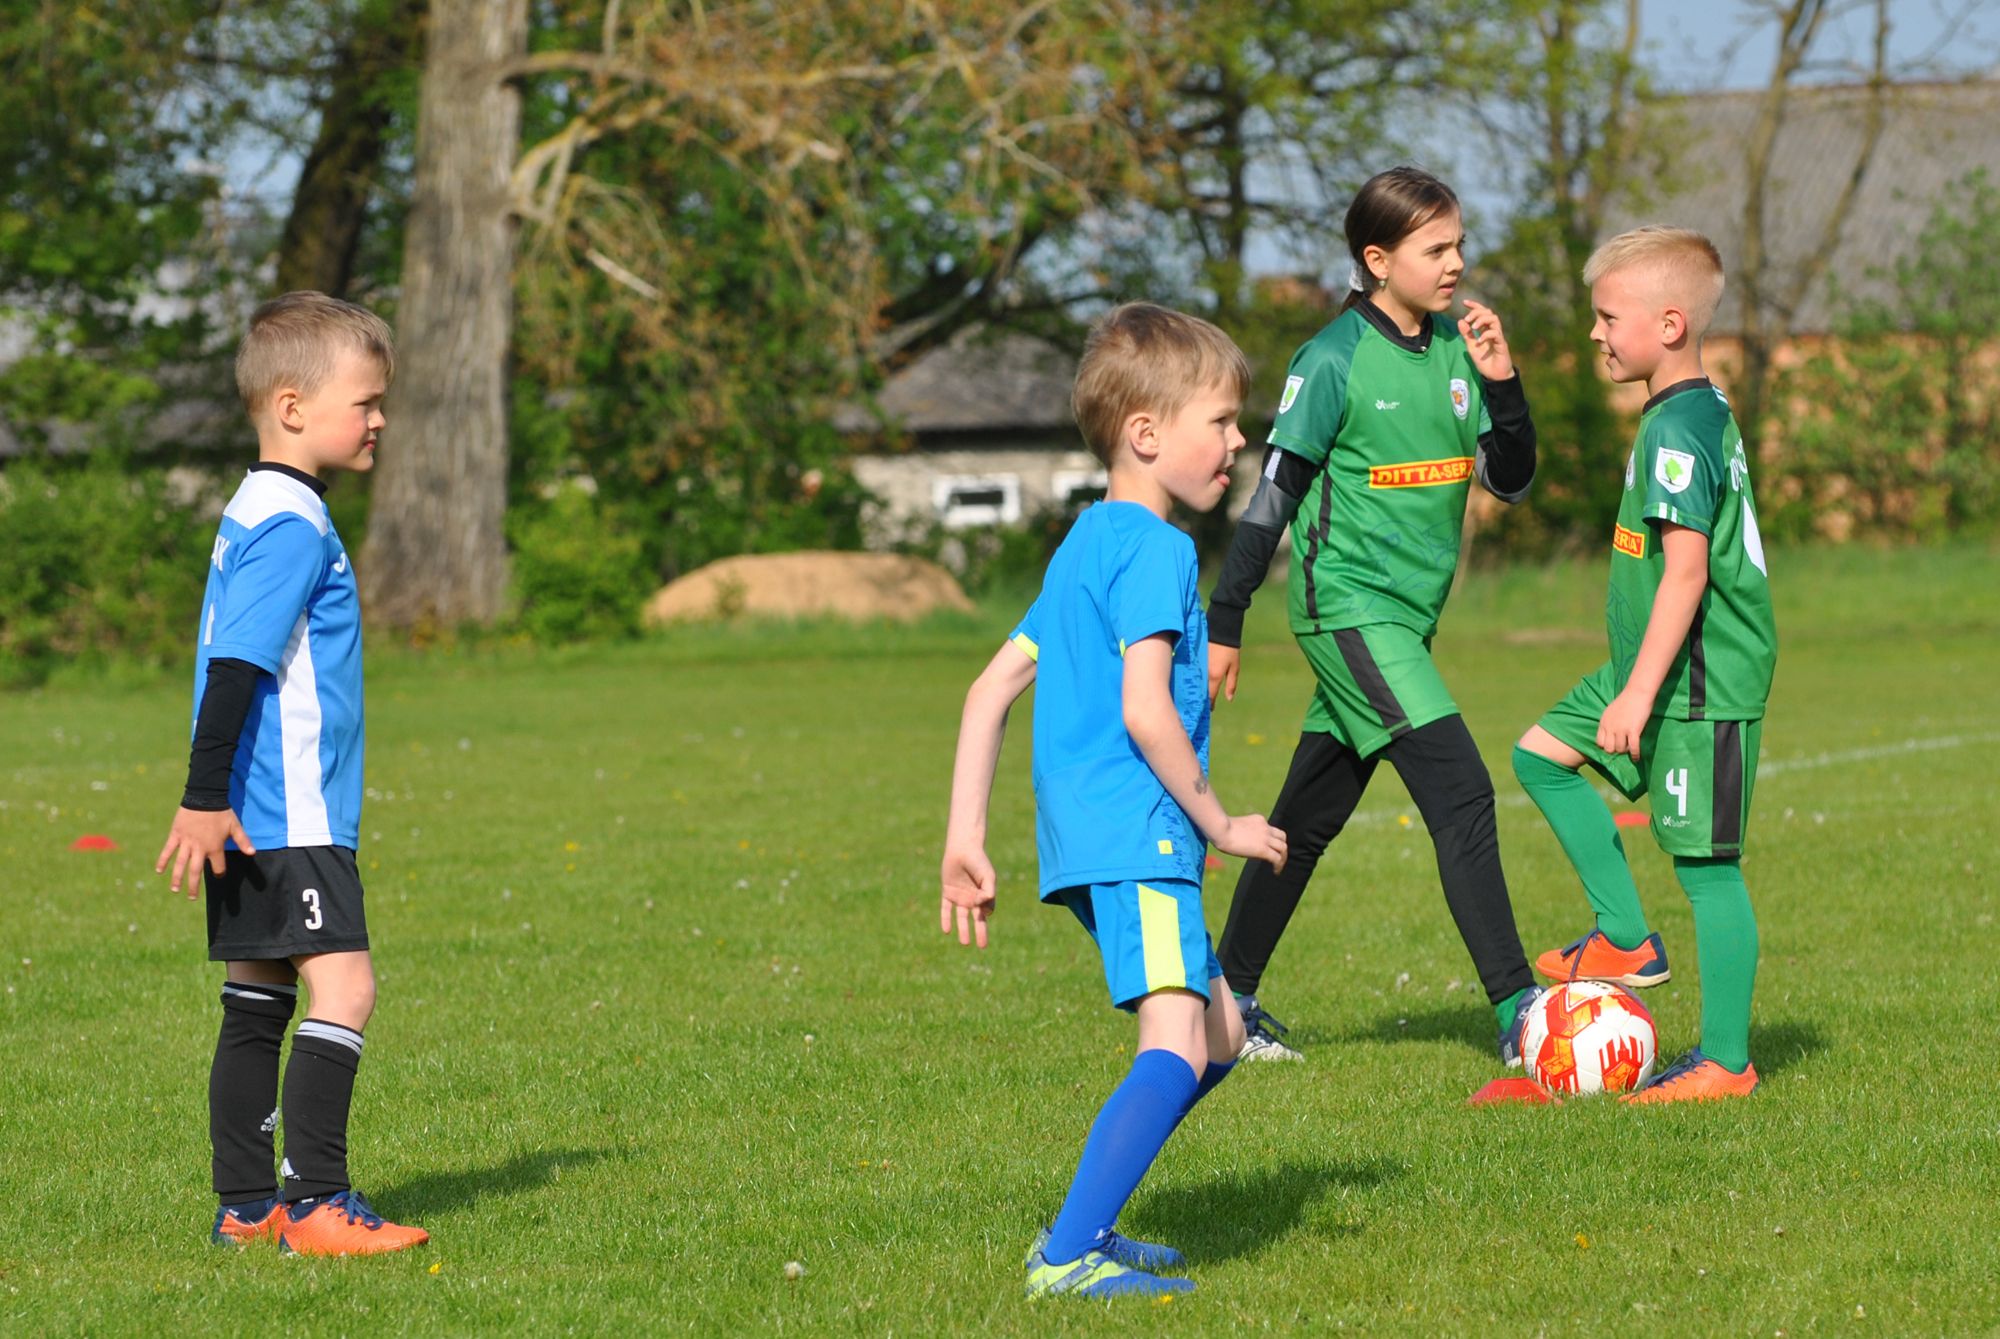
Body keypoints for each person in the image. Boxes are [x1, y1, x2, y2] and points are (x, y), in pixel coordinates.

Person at [938, 302, 1288, 1298]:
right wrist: (1217, 818)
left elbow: (987, 688)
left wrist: (965, 837)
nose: (1237, 442)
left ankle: (1091, 1220)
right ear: (1145, 432)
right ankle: (1068, 1252)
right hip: (1140, 833)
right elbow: (1144, 708)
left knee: (1220, 1031)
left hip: (1094, 839)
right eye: (1219, 422)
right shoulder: (1158, 549)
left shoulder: (1082, 543)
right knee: (1176, 1045)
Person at [1205, 166, 1543, 1063]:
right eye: (1437, 248)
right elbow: (1271, 502)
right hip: (1345, 610)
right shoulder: (1331, 361)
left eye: (1461, 244)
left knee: (1302, 823)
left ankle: (1226, 1006)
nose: (1457, 263)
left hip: (1404, 621)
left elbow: (1509, 479)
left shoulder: (1454, 351)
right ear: (1377, 259)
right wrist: (1225, 618)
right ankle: (1521, 1013)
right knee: (1463, 791)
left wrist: (1503, 384)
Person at [155, 291, 429, 1254]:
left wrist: (212, 797)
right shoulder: (292, 522)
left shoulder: (256, 507)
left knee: (256, 999)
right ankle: (316, 1202)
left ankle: (247, 1205)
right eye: (366, 401)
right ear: (292, 405)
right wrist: (204, 796)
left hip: (250, 811)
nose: (379, 419)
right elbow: (238, 664)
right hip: (286, 812)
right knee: (345, 991)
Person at [1514, 226, 1776, 1103]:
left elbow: (1689, 572)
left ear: (1669, 325)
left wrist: (1635, 691)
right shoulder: (1683, 413)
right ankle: (1625, 935)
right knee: (1539, 752)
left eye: (1606, 315)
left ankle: (1727, 1063)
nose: (1594, 332)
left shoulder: (1680, 432)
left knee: (1706, 866)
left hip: (1695, 684)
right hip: (1650, 670)